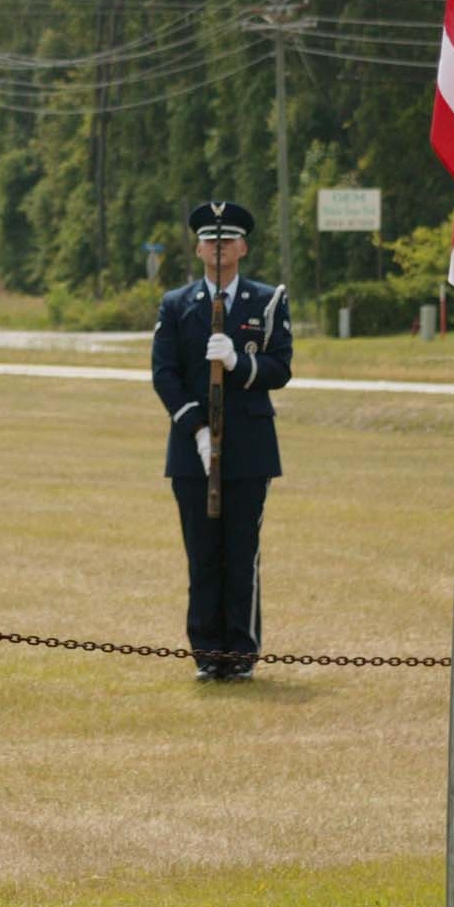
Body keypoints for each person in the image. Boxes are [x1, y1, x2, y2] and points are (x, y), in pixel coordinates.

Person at [150, 200, 294, 681]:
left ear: (243, 247)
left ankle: (241, 651)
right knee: (202, 553)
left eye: (226, 240)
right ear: (197, 248)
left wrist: (239, 364)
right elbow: (164, 373)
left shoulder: (268, 301)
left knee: (241, 552)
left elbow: (280, 368)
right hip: (192, 450)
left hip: (249, 448)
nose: (217, 248)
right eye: (209, 241)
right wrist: (195, 425)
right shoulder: (176, 304)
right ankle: (207, 652)